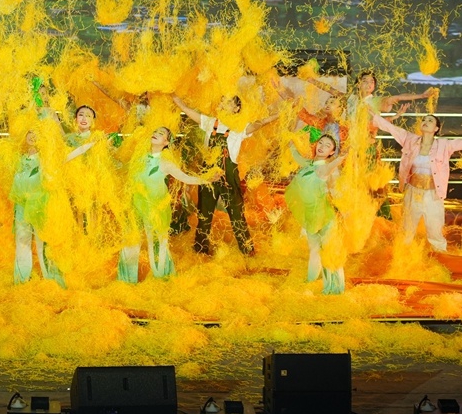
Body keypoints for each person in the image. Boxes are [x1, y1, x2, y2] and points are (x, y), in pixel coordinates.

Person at [373, 113, 462, 252]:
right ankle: (402, 256)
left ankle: (441, 255)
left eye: (430, 120)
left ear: (436, 129)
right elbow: (392, 128)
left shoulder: (444, 145)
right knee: (406, 229)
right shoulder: (410, 139)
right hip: (413, 192)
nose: (425, 121)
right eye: (424, 119)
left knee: (435, 231)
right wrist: (373, 115)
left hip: (433, 195)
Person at [173, 95, 276, 256]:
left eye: (228, 101)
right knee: (204, 214)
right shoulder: (210, 122)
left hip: (229, 177)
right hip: (208, 176)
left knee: (237, 215)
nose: (222, 103)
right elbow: (186, 109)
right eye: (222, 100)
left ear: (236, 108)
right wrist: (174, 97)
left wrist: (279, 114)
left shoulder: (239, 127)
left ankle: (247, 251)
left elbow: (260, 123)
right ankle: (200, 250)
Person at [118, 126, 207, 282]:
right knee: (130, 241)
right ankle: (127, 281)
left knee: (157, 244)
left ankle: (162, 279)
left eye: (161, 134)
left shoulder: (165, 163)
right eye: (155, 131)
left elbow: (186, 178)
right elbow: (124, 170)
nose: (155, 134)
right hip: (135, 206)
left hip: (156, 208)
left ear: (166, 142)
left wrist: (206, 179)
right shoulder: (139, 157)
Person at [11, 128, 96, 287]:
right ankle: (21, 282)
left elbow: (73, 154)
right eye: (30, 132)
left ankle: (52, 283)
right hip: (21, 206)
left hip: (41, 207)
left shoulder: (48, 159)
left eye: (37, 133)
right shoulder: (19, 158)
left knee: (43, 245)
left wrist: (92, 143)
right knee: (22, 241)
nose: (32, 136)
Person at [285, 133, 347, 294]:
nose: (322, 147)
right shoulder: (308, 164)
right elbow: (296, 156)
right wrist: (288, 139)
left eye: (327, 146)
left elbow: (331, 166)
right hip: (310, 216)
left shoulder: (324, 168)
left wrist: (341, 157)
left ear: (331, 152)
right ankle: (311, 281)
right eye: (321, 143)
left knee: (329, 252)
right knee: (314, 250)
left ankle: (335, 289)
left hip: (325, 217)